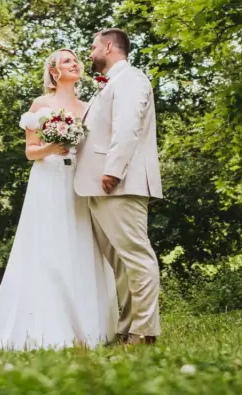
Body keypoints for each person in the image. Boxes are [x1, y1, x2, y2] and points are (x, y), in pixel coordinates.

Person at [0, 48, 116, 353]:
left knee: (82, 244)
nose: (74, 63)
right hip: (48, 181)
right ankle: (48, 326)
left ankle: (89, 325)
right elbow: (30, 151)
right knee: (48, 248)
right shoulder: (41, 104)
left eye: (75, 60)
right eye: (66, 61)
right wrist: (53, 148)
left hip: (79, 182)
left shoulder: (88, 106)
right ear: (54, 71)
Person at [76, 28, 163, 346]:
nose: (90, 52)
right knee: (119, 262)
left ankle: (144, 331)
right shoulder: (109, 84)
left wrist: (113, 171)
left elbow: (127, 127)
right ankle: (127, 329)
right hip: (99, 186)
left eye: (93, 46)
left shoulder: (131, 78)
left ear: (109, 46)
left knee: (136, 257)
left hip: (119, 184)